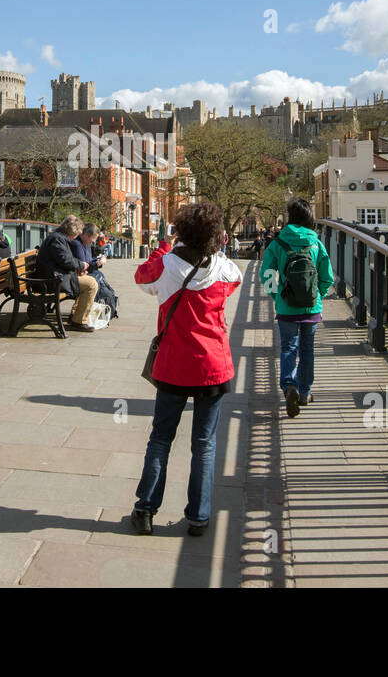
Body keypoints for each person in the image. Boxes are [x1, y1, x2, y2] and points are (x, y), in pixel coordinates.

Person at [131, 202, 243, 537]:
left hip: (174, 365)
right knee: (204, 444)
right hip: (213, 365)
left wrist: (166, 246)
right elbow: (235, 277)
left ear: (179, 231)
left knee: (161, 438)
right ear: (215, 236)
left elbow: (141, 278)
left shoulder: (166, 266)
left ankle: (146, 510)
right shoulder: (224, 270)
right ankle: (198, 516)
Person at [260, 198, 334, 418]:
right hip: (312, 308)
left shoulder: (278, 242)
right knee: (307, 349)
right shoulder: (316, 243)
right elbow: (327, 277)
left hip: (286, 308)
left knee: (288, 348)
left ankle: (288, 386)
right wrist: (317, 296)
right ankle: (304, 392)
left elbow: (267, 275)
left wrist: (277, 296)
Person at [34, 215, 99, 333]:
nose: (75, 238)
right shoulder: (57, 239)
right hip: (51, 281)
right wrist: (81, 265)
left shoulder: (58, 237)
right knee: (91, 284)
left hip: (54, 276)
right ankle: (79, 321)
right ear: (71, 231)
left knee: (86, 280)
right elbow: (65, 260)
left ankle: (76, 316)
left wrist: (78, 268)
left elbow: (64, 260)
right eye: (76, 234)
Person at [79, 223, 119, 319]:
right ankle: (91, 311)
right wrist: (98, 263)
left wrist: (97, 260)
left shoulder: (87, 244)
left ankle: (101, 306)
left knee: (99, 275)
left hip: (83, 273)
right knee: (95, 281)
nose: (93, 242)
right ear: (86, 235)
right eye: (93, 238)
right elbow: (84, 267)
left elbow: (87, 263)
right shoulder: (78, 244)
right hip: (75, 276)